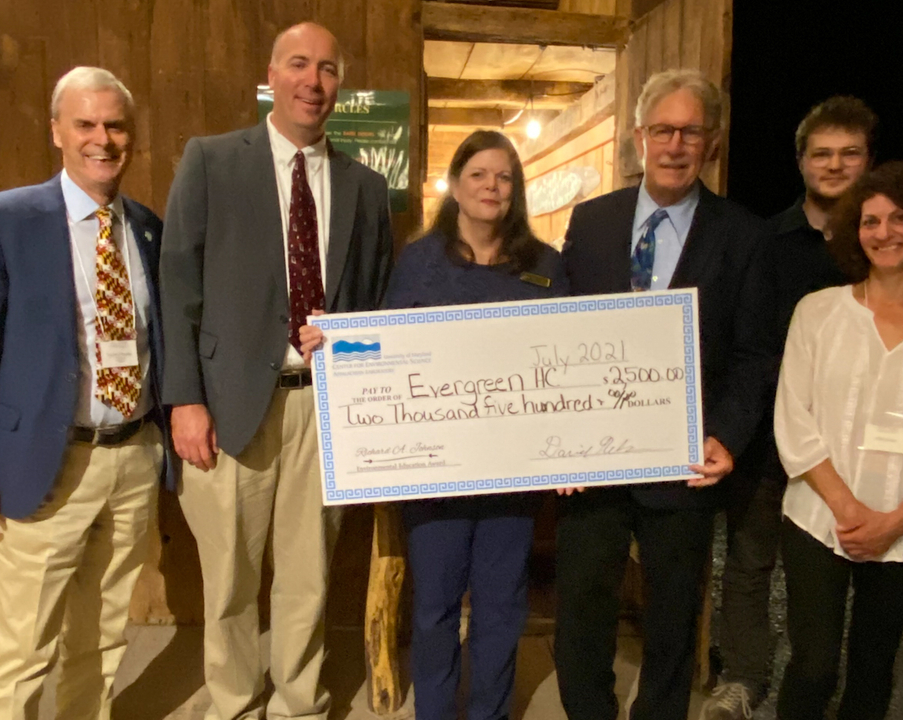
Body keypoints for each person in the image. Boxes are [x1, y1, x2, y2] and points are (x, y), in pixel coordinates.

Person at [160, 22, 393, 720]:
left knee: (308, 578)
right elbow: (178, 286)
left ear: (337, 86)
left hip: (323, 410)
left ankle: (299, 703)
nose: (312, 81)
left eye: (326, 69)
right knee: (229, 578)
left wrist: (352, 348)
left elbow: (375, 304)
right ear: (272, 74)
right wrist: (183, 400)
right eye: (299, 64)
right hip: (227, 407)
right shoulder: (210, 161)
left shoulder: (366, 187)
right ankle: (232, 703)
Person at [301, 130, 567, 719]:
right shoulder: (418, 262)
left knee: (502, 606)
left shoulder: (545, 266)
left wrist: (572, 451)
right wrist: (334, 345)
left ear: (515, 189)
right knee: (436, 606)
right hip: (436, 472)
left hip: (513, 473)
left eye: (503, 177)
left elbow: (567, 365)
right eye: (478, 174)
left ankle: (490, 713)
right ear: (456, 184)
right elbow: (384, 351)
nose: (491, 187)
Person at [554, 68, 777, 720]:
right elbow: (560, 337)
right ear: (638, 137)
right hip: (591, 462)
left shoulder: (744, 236)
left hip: (684, 461)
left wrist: (727, 437)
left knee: (674, 613)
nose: (675, 144)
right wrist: (555, 440)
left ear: (710, 142)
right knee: (582, 607)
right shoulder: (591, 222)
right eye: (663, 130)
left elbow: (754, 354)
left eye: (690, 131)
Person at [0, 66, 168, 720]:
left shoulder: (146, 229)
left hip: (131, 458)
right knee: (23, 644)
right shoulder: (11, 220)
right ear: (57, 133)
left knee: (100, 639)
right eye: (86, 124)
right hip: (49, 459)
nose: (102, 138)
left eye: (116, 125)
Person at [703, 96, 877, 719]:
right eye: (821, 154)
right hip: (769, 435)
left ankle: (823, 681)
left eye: (848, 154)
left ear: (867, 161)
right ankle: (745, 679)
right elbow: (744, 343)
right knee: (750, 563)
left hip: (857, 441)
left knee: (841, 569)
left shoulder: (884, 241)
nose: (834, 165)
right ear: (801, 161)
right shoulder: (763, 240)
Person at [774, 161, 903, 720]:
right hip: (817, 515)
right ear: (855, 231)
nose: (885, 233)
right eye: (871, 220)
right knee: (813, 665)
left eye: (900, 218)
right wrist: (850, 509)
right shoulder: (819, 313)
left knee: (874, 666)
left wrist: (897, 519)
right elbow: (794, 418)